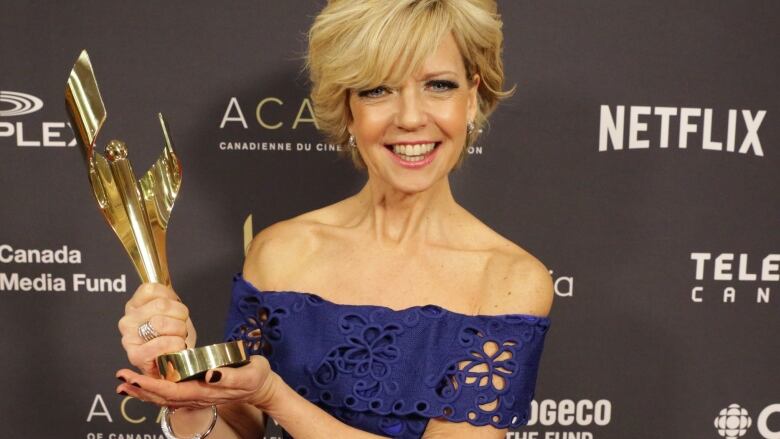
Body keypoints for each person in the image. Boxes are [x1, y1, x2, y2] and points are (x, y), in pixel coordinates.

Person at [115, 1, 554, 438]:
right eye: (377, 90)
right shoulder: (282, 251)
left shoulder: (508, 278)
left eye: (438, 85)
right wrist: (187, 389)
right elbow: (237, 430)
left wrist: (275, 395)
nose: (411, 118)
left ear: (472, 99)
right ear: (348, 107)